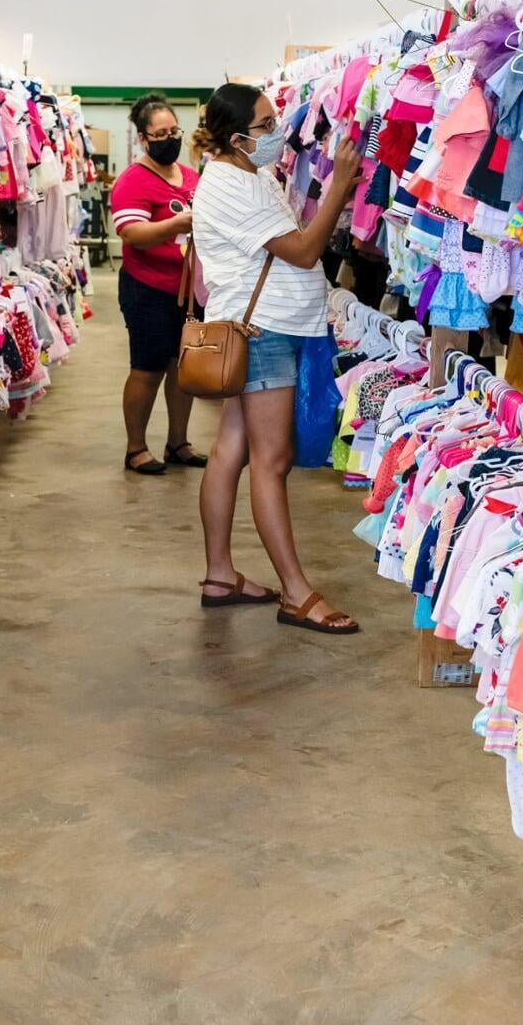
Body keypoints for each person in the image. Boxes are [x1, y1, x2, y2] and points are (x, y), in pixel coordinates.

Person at [190, 83, 362, 634]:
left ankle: (220, 575)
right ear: (238, 138)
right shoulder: (227, 185)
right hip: (261, 330)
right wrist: (339, 182)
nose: (277, 134)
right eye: (266, 126)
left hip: (265, 326)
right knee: (273, 459)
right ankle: (296, 593)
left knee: (232, 449)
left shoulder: (250, 174)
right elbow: (304, 249)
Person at [111, 92, 205, 475]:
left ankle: (178, 441)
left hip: (189, 290)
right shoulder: (133, 181)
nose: (170, 138)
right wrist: (177, 224)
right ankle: (136, 448)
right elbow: (132, 233)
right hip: (147, 287)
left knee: (183, 369)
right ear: (143, 138)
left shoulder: (193, 177)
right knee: (147, 368)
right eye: (161, 133)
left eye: (174, 130)